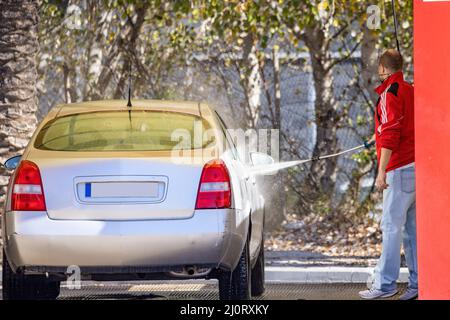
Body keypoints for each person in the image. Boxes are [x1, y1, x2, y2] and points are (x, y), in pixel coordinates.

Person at [359, 49, 417, 300]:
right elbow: (399, 124)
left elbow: (392, 133)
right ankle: (417, 284)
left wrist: (381, 172)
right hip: (416, 168)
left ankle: (385, 285)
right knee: (412, 230)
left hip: (398, 169)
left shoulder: (388, 93)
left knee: (391, 227)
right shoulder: (410, 89)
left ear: (383, 68)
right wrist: (377, 135)